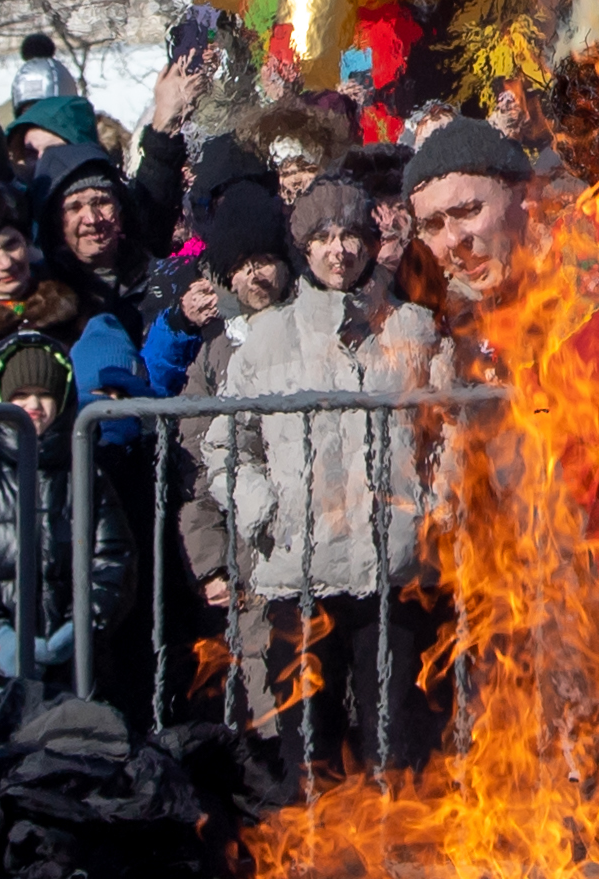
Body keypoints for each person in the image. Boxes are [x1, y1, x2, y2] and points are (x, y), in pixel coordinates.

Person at [183, 176, 447, 772]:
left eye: (350, 235)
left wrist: (433, 506)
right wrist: (263, 510)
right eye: (324, 237)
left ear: (369, 244)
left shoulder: (413, 329)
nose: (339, 251)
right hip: (297, 570)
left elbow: (448, 430)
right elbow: (227, 445)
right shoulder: (267, 339)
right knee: (310, 754)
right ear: (303, 247)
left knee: (395, 751)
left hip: (393, 568)